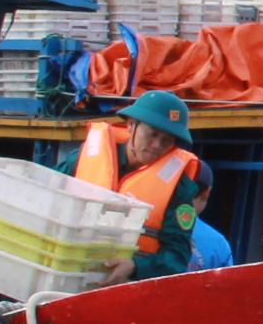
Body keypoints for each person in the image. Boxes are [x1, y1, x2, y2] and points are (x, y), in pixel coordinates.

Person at [76, 90, 212, 283]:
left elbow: (178, 256)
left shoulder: (178, 186)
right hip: (71, 273)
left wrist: (135, 267)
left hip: (125, 288)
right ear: (131, 125)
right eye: (152, 134)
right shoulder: (87, 156)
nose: (157, 145)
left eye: (166, 140)